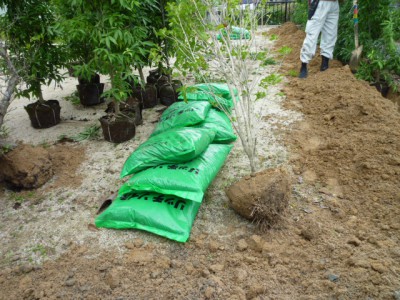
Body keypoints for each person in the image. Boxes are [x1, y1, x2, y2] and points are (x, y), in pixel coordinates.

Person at [298, 0, 341, 78]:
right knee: (312, 34)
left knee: (330, 35)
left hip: (334, 4)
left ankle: (325, 65)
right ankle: (304, 66)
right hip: (320, 3)